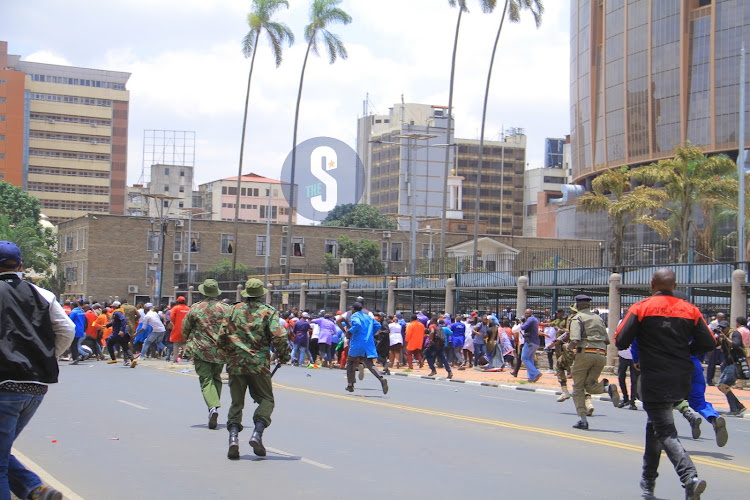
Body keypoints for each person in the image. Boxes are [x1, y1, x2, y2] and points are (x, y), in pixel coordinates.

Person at [616, 268, 715, 499]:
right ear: (675, 285)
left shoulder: (641, 307)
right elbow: (709, 342)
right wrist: (684, 352)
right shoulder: (690, 309)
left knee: (665, 431)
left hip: (654, 378)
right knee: (655, 428)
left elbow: (621, 341)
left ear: (652, 284)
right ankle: (647, 483)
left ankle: (689, 477)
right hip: (681, 378)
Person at [0, 240, 75, 500]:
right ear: (20, 265)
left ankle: (32, 488)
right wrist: (45, 355)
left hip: (4, 386)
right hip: (35, 387)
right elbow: (67, 330)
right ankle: (34, 489)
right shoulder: (42, 293)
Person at [219, 278, 290, 459]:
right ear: (261, 294)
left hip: (235, 363)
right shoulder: (268, 312)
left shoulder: (233, 310)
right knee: (266, 400)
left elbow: (221, 335)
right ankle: (257, 433)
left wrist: (225, 354)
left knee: (237, 403)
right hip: (258, 365)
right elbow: (279, 337)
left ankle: (233, 439)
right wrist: (284, 355)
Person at [182, 279, 229, 430]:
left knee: (206, 379)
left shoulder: (196, 308)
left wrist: (189, 339)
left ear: (203, 292)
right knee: (216, 378)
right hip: (221, 350)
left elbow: (185, 328)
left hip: (201, 349)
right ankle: (214, 406)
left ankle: (212, 408)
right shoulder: (226, 308)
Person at [569, 295, 619, 429]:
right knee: (589, 385)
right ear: (588, 305)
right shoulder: (598, 318)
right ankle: (607, 388)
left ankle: (583, 420)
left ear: (578, 305)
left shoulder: (577, 318)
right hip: (601, 354)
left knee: (578, 387)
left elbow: (575, 339)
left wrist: (568, 348)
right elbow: (607, 340)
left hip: (585, 353)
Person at [345, 302, 388, 394]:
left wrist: (350, 331)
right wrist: (370, 334)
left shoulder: (355, 316)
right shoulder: (368, 317)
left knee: (350, 362)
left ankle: (350, 384)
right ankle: (381, 378)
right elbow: (377, 326)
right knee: (369, 363)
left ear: (353, 309)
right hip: (368, 343)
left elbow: (357, 325)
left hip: (357, 342)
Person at [715, 320, 747, 416]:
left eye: (723, 328)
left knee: (724, 385)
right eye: (721, 328)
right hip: (729, 364)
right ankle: (739, 406)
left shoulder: (735, 334)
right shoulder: (722, 337)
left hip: (736, 364)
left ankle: (734, 409)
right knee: (721, 385)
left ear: (728, 328)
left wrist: (724, 337)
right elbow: (715, 345)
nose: (722, 330)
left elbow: (736, 345)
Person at [105, 301, 137, 367]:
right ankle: (132, 359)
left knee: (109, 342)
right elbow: (115, 322)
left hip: (117, 333)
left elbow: (124, 320)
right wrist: (107, 326)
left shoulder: (117, 313)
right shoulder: (120, 312)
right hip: (122, 333)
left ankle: (113, 359)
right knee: (125, 346)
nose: (112, 307)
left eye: (113, 306)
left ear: (115, 306)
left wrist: (121, 330)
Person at [513, 309, 542, 382]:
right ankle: (531, 378)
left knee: (524, 358)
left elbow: (522, 328)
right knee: (530, 359)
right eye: (525, 313)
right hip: (535, 342)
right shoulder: (535, 319)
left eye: (527, 313)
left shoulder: (530, 319)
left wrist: (520, 323)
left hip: (530, 342)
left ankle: (536, 373)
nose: (526, 315)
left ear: (531, 313)